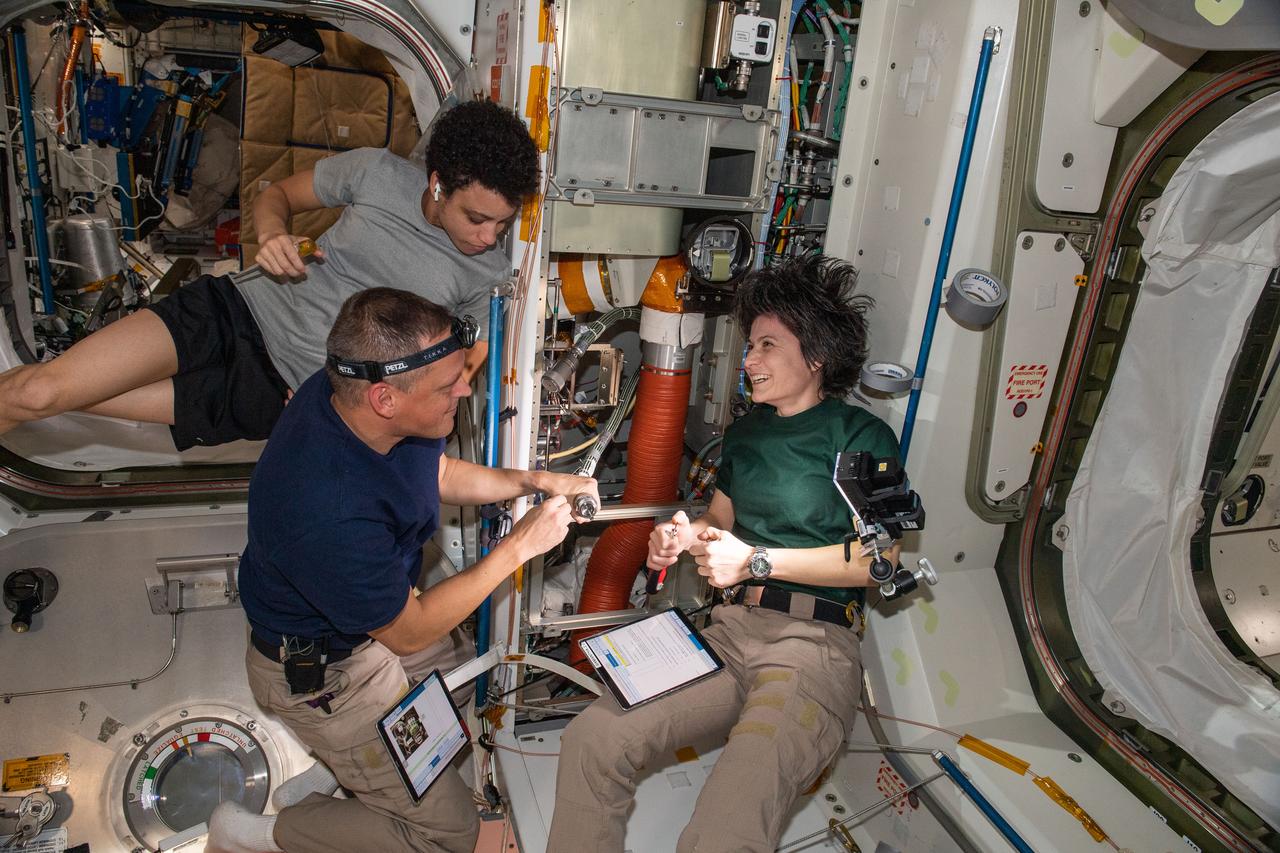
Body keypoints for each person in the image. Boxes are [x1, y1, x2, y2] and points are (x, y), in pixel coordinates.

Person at [207, 288, 597, 853]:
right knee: (449, 837)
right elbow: (410, 629)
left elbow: (436, 474)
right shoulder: (325, 506)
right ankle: (256, 835)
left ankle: (353, 770)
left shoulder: (351, 393)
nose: (465, 389)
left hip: (370, 626)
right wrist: (518, 547)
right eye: (449, 386)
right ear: (385, 399)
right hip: (330, 678)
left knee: (465, 669)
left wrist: (535, 482)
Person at [546, 255, 902, 853]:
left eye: (767, 345)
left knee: (723, 832)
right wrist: (685, 534)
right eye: (749, 346)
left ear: (815, 356)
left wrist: (755, 561)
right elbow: (721, 520)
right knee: (595, 739)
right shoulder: (747, 434)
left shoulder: (861, 436)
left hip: (812, 649)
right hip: (729, 633)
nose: (749, 360)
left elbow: (878, 560)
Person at [0, 99, 537, 450]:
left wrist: (338, 416)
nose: (488, 238)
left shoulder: (486, 272)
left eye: (502, 223)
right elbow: (274, 195)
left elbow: (450, 375)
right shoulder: (377, 173)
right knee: (41, 392)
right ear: (438, 184)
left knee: (49, 396)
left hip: (275, 390)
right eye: (477, 218)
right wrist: (274, 235)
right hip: (232, 310)